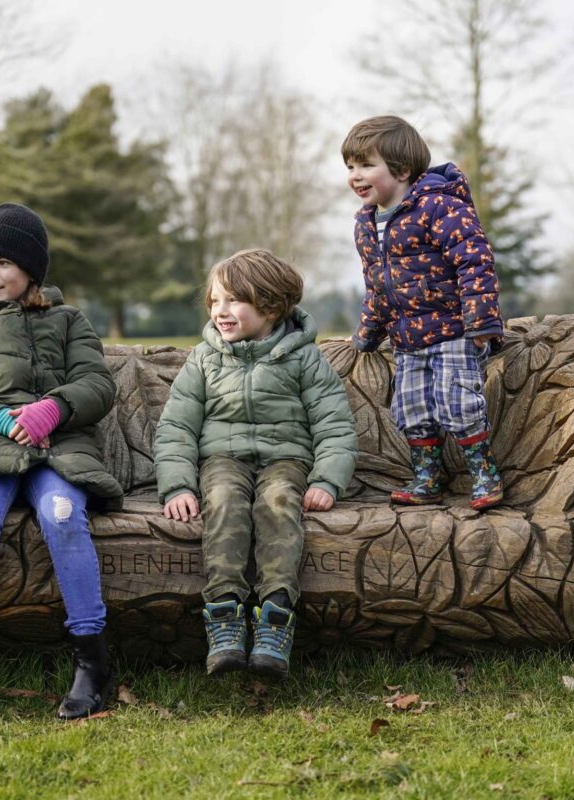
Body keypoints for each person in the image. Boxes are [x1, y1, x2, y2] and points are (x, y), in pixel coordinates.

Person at [0, 202, 123, 724]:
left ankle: (91, 663)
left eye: (4, 262)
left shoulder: (67, 319)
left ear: (30, 268)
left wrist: (55, 407)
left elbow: (98, 382)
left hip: (58, 447)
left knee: (61, 515)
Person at [154, 249, 358, 679]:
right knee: (225, 498)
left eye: (232, 301)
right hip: (222, 459)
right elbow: (176, 427)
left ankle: (275, 617)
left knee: (280, 500)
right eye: (214, 301)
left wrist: (326, 481)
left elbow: (335, 424)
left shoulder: (303, 358)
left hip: (287, 459)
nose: (220, 312)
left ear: (269, 306)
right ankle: (224, 615)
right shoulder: (206, 358)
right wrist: (177, 486)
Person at [342, 115, 505, 509]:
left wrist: (481, 321)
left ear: (401, 170)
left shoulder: (439, 207)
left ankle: (484, 473)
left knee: (459, 403)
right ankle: (426, 476)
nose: (355, 175)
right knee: (411, 407)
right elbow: (378, 286)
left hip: (452, 332)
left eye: (366, 165)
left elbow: (475, 262)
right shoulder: (366, 225)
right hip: (408, 339)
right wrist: (368, 332)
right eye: (350, 166)